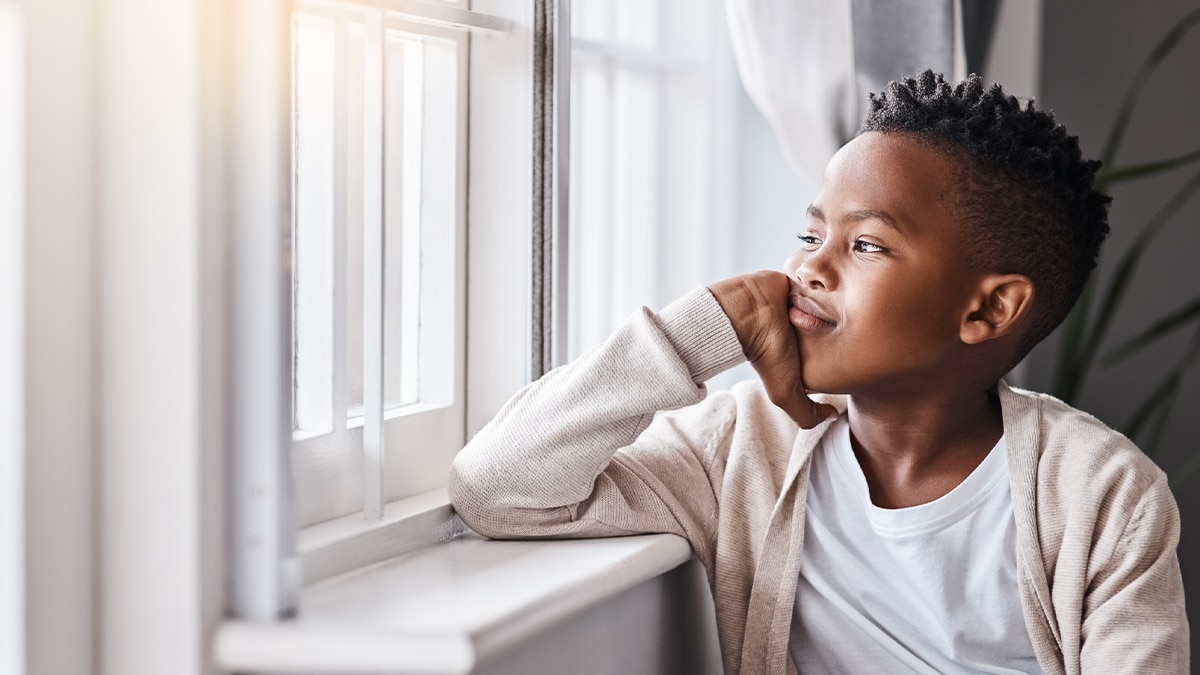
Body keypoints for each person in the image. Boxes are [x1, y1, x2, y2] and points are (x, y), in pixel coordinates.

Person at [448, 71, 1189, 674]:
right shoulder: (742, 448)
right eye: (810, 233)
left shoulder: (1102, 494)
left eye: (865, 244)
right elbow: (499, 487)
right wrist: (698, 328)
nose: (808, 265)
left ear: (988, 309)